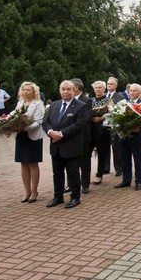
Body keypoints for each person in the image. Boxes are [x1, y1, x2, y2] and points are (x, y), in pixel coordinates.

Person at [43, 80, 90, 209]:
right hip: (56, 146)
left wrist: (61, 134)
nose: (65, 92)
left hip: (71, 146)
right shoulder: (54, 105)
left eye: (68, 89)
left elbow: (80, 124)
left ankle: (75, 197)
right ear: (59, 90)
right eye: (63, 89)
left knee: (73, 173)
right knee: (57, 173)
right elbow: (45, 122)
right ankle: (58, 197)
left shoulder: (81, 106)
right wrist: (50, 132)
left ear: (74, 90)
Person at [14, 82, 45, 203]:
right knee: (23, 163)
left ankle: (34, 191)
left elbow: (38, 122)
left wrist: (25, 128)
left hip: (33, 137)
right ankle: (26, 191)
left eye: (28, 90)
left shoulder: (38, 104)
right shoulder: (20, 103)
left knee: (33, 163)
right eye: (24, 90)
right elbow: (15, 116)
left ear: (34, 92)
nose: (26, 92)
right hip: (21, 136)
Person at [116, 84, 141, 190]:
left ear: (139, 92)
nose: (132, 92)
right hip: (125, 135)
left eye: (134, 91)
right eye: (130, 91)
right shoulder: (124, 103)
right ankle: (126, 180)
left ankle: (139, 181)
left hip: (137, 136)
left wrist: (138, 126)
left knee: (138, 159)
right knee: (125, 158)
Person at [72, 79, 93, 194]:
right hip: (70, 136)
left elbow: (87, 117)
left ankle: (85, 184)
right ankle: (72, 184)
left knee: (84, 161)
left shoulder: (86, 100)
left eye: (70, 87)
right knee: (71, 161)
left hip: (83, 135)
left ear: (77, 87)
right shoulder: (68, 100)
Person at [89, 81, 112, 185]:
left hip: (103, 129)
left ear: (104, 89)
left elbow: (112, 114)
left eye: (100, 87)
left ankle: (99, 174)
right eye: (96, 88)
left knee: (101, 152)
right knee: (86, 152)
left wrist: (101, 118)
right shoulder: (90, 100)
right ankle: (86, 174)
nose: (97, 89)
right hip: (91, 129)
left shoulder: (108, 101)